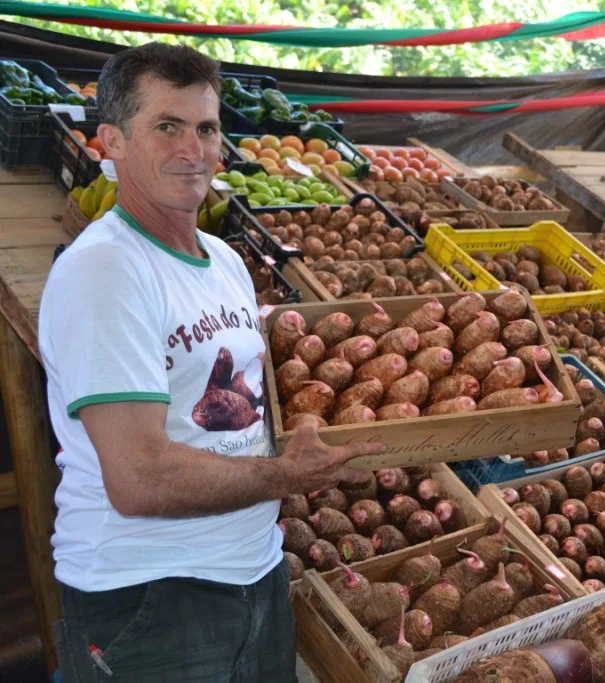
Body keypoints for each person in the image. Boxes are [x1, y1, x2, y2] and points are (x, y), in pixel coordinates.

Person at [39, 42, 382, 682]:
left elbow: (237, 411)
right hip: (152, 592)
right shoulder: (104, 270)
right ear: (111, 142)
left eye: (205, 128)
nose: (192, 150)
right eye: (166, 127)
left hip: (252, 568)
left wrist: (304, 428)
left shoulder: (222, 260)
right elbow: (140, 479)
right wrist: (287, 476)